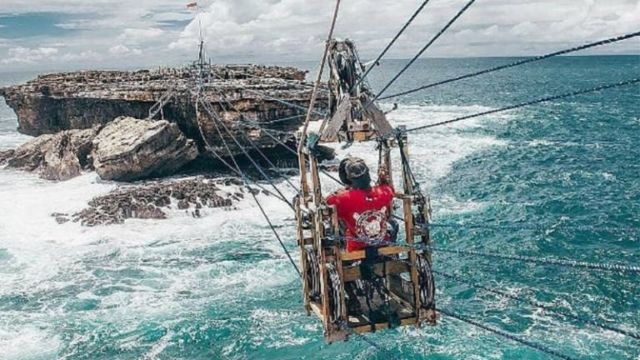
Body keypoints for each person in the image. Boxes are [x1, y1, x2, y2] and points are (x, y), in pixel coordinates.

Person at [327, 157, 395, 252]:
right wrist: (383, 180)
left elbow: (327, 202)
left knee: (336, 225)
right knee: (393, 224)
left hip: (356, 251)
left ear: (349, 179)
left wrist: (344, 191)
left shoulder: (343, 198)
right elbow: (389, 189)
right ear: (368, 174)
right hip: (383, 246)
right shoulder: (384, 192)